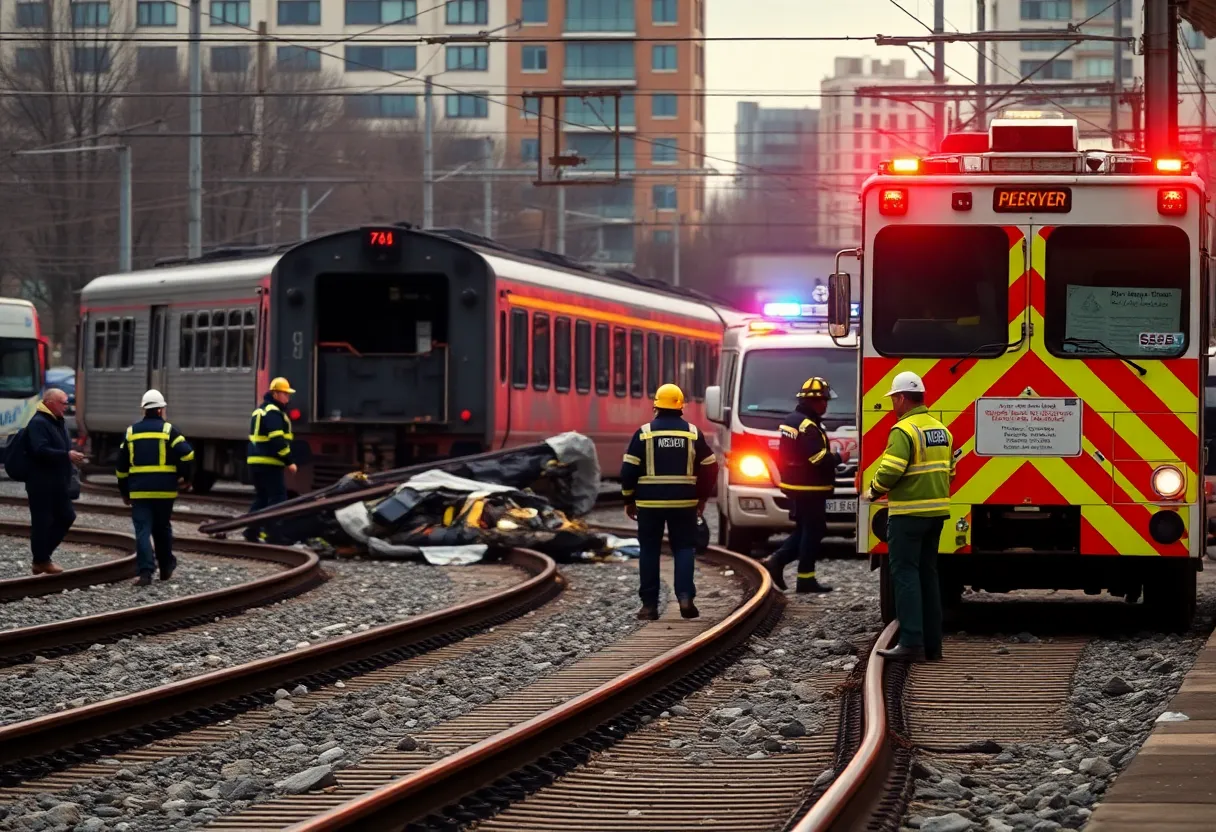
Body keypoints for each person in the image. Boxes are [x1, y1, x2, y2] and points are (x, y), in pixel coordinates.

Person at [864, 371, 954, 663]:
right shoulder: (941, 429)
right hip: (936, 513)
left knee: (904, 574)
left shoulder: (904, 431)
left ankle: (911, 641)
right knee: (929, 575)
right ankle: (933, 646)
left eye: (894, 400)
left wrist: (873, 491)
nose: (893, 406)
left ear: (902, 398)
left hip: (908, 514)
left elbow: (891, 469)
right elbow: (950, 470)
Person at [620, 383, 718, 621]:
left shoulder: (644, 433)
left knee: (650, 550)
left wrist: (628, 499)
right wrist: (702, 496)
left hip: (650, 505)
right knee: (684, 548)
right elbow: (711, 466)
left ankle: (649, 607)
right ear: (681, 407)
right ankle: (685, 598)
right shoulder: (693, 433)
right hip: (684, 504)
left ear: (656, 407)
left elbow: (628, 470)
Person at [764, 376, 850, 594]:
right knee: (814, 530)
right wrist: (841, 458)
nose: (826, 405)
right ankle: (802, 577)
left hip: (796, 485)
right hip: (810, 487)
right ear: (815, 401)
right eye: (824, 401)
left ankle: (779, 562)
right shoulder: (807, 426)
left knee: (806, 529)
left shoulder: (792, 420)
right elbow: (818, 459)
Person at [115, 390, 194, 587]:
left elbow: (121, 467)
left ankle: (145, 573)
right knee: (162, 528)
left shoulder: (131, 432)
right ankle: (166, 566)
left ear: (144, 409)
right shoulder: (169, 431)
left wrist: (125, 492)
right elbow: (188, 454)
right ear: (160, 410)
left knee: (143, 530)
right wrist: (185, 477)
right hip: (165, 490)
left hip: (139, 490)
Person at [26, 388, 86, 575]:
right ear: (50, 403)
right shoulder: (38, 423)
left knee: (67, 516)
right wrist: (66, 455)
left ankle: (42, 557)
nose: (66, 406)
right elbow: (40, 450)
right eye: (63, 402)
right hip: (41, 483)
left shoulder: (57, 422)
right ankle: (41, 560)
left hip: (57, 482)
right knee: (42, 521)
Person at [245, 377, 297, 543]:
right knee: (277, 498)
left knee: (262, 498)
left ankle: (251, 531)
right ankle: (274, 535)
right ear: (275, 394)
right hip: (269, 462)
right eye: (284, 394)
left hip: (255, 462)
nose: (287, 398)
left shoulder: (260, 410)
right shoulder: (273, 412)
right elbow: (277, 440)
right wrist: (289, 461)